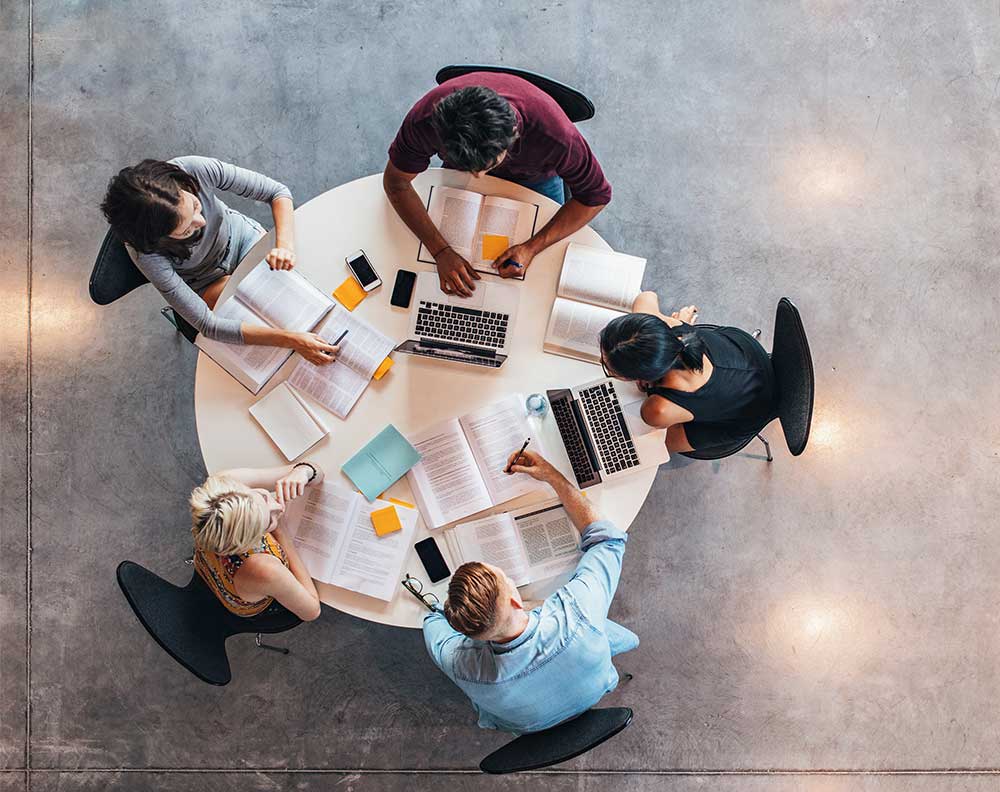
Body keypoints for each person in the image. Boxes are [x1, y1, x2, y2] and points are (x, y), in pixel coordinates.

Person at [422, 449, 638, 734]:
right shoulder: (577, 614)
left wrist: (445, 611)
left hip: (526, 726)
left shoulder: (461, 665)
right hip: (595, 686)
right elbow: (607, 540)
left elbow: (432, 623)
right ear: (514, 599)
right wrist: (552, 476)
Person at [384, 72, 612, 297]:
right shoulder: (425, 119)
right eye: (471, 169)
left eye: (486, 166)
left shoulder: (557, 137)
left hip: (537, 177)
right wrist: (440, 250)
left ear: (514, 135)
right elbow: (396, 183)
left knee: (541, 273)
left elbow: (596, 197)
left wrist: (532, 247)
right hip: (463, 169)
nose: (478, 178)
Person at [101, 156, 339, 365]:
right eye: (186, 230)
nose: (202, 222)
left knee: (307, 286)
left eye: (196, 205)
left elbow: (277, 192)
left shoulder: (193, 169)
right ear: (158, 240)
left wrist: (284, 247)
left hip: (243, 240)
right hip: (205, 281)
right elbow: (208, 325)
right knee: (269, 325)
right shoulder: (146, 254)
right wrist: (290, 340)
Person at [599, 292, 776, 453]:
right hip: (748, 355)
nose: (601, 361)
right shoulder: (670, 326)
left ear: (638, 377)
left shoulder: (656, 410)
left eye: (608, 369)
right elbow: (646, 297)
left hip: (751, 412)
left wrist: (651, 390)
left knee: (654, 446)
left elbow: (659, 423)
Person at [189, 462, 324, 621]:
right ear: (250, 542)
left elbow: (316, 471)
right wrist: (281, 532)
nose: (278, 507)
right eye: (268, 522)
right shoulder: (265, 569)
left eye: (263, 496)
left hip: (209, 565)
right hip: (248, 604)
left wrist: (303, 472)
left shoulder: (226, 484)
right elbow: (312, 611)